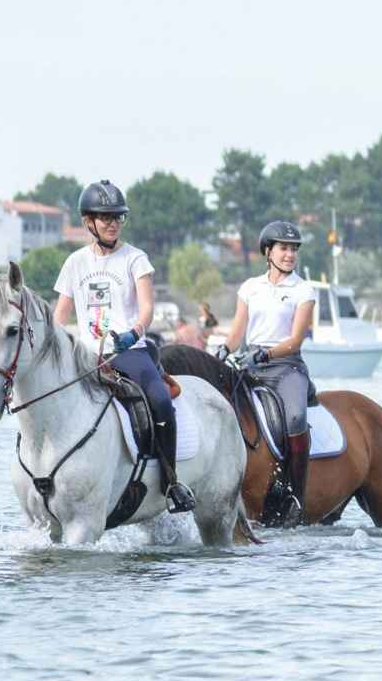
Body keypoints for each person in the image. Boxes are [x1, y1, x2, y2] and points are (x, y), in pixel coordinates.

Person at [52, 179, 196, 513]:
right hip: (86, 354)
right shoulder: (75, 262)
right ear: (88, 221)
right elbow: (60, 316)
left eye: (117, 217)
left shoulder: (136, 259)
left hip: (129, 350)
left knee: (160, 401)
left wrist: (134, 331)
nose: (113, 223)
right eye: (105, 217)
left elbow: (147, 308)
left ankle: (172, 482)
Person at [225, 220, 317, 526]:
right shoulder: (250, 287)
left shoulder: (303, 290)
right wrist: (223, 350)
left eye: (293, 249)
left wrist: (265, 353)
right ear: (268, 251)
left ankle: (295, 495)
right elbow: (237, 332)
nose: (290, 254)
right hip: (252, 365)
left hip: (287, 367)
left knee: (295, 419)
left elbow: (294, 340)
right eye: (284, 248)